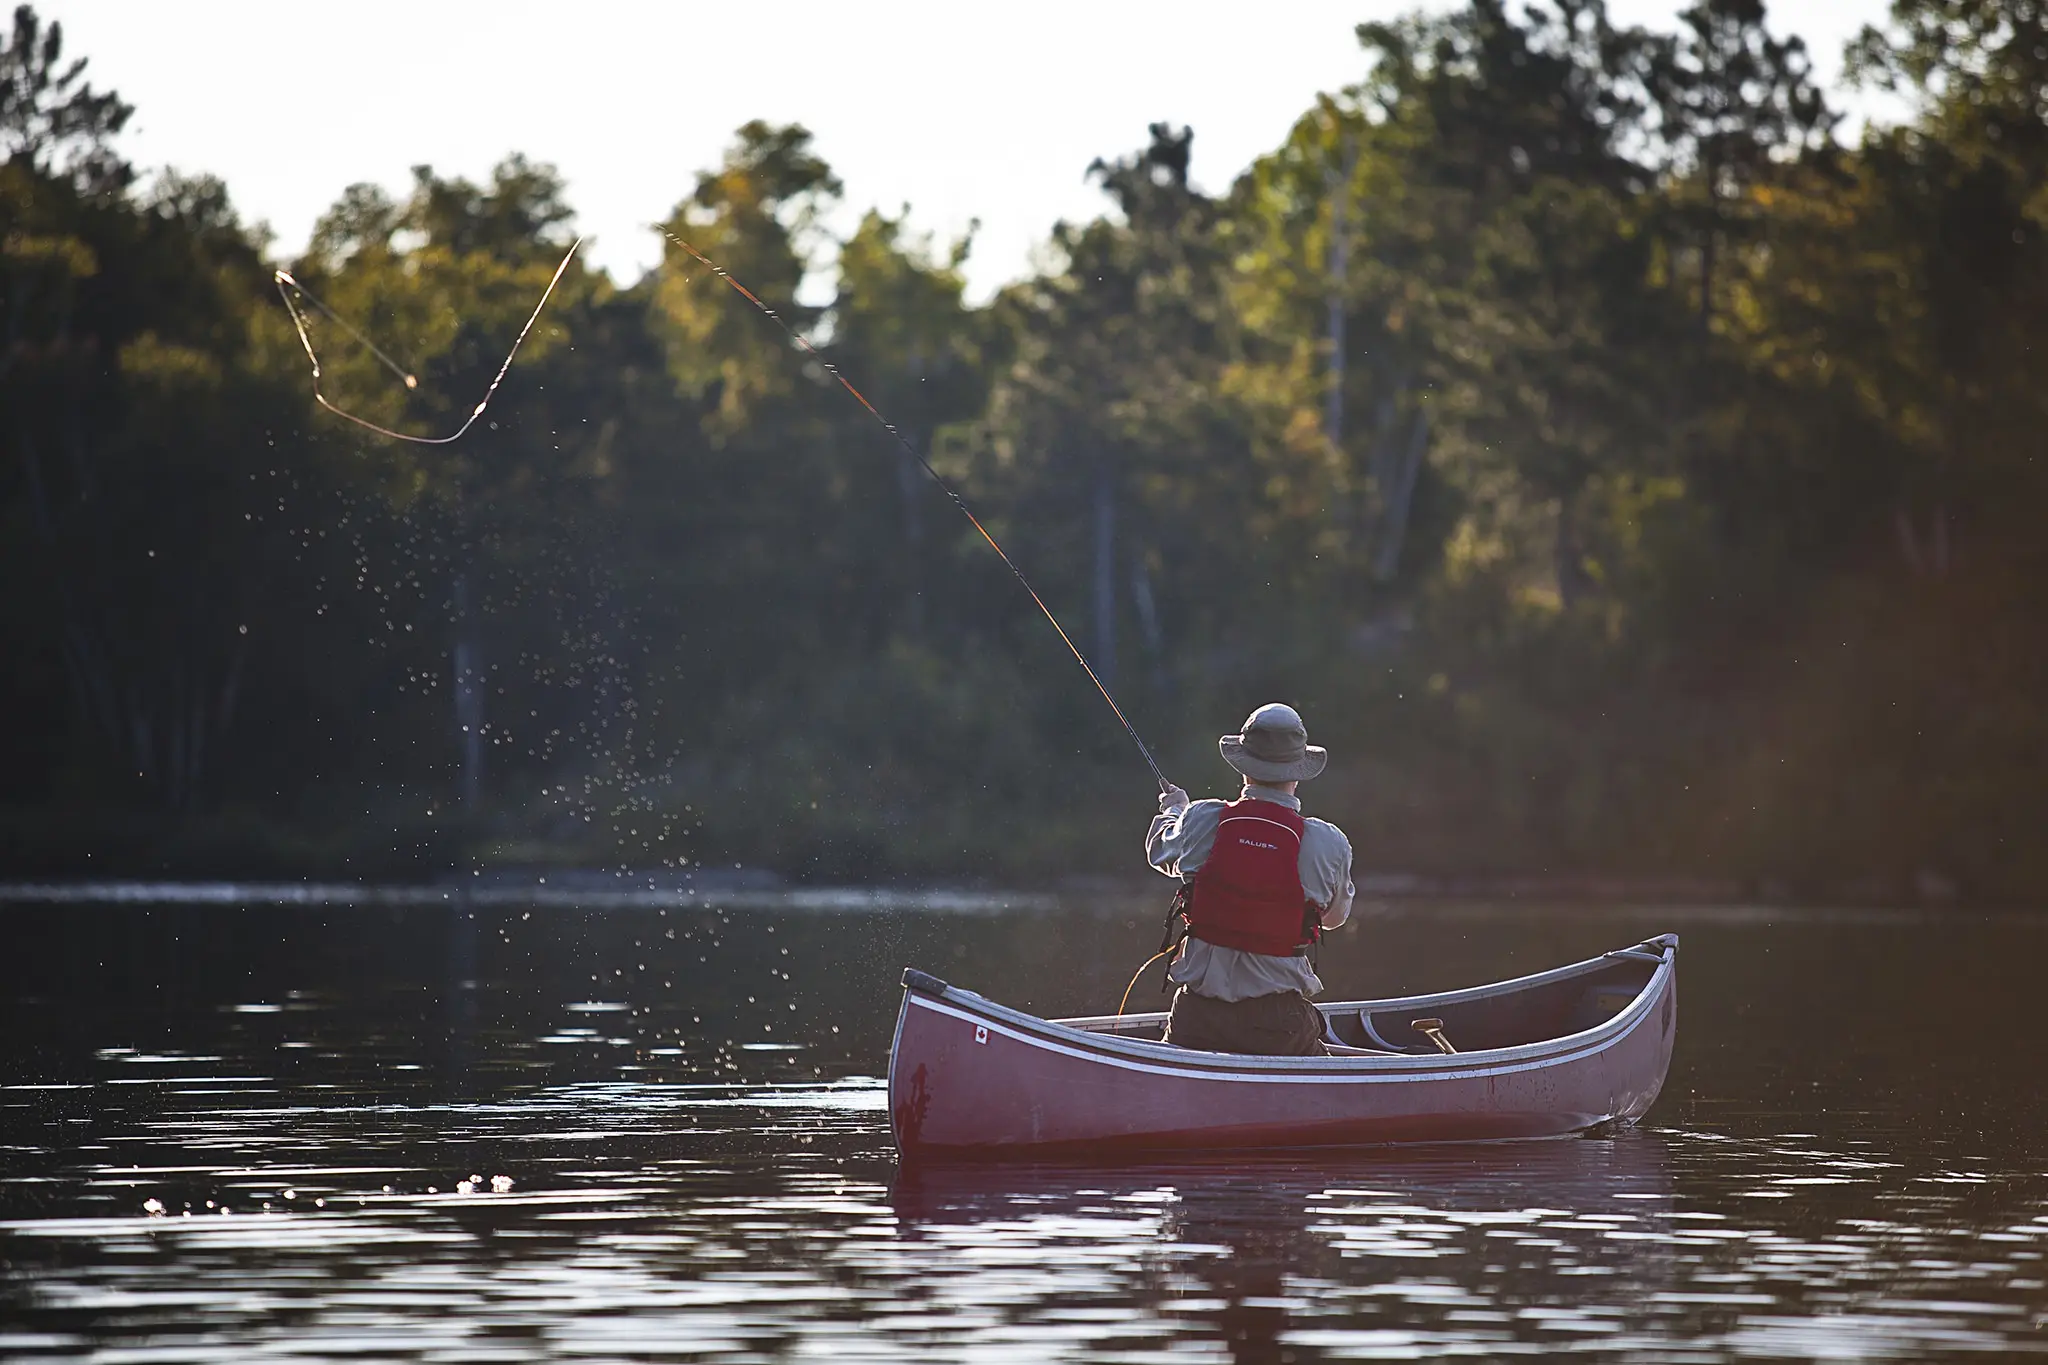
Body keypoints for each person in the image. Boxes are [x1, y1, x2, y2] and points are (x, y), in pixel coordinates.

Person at [1146, 703, 1355, 1056]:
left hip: (1197, 1017)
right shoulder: (1328, 842)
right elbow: (1334, 919)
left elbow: (1160, 852)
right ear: (1299, 770)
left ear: (1242, 765)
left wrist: (1173, 809)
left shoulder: (1201, 818)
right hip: (1278, 1024)